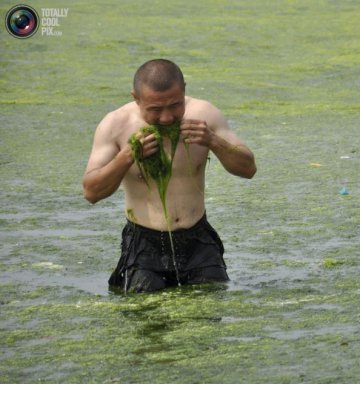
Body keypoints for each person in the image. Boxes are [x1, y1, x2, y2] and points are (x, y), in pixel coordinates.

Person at [83, 59, 256, 293]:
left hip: (198, 242)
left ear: (184, 89)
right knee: (146, 321)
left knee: (208, 321)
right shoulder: (115, 125)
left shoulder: (205, 114)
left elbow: (248, 169)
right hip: (144, 246)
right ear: (136, 98)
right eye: (155, 109)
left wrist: (213, 141)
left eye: (175, 106)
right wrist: (128, 155)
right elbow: (91, 192)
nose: (166, 118)